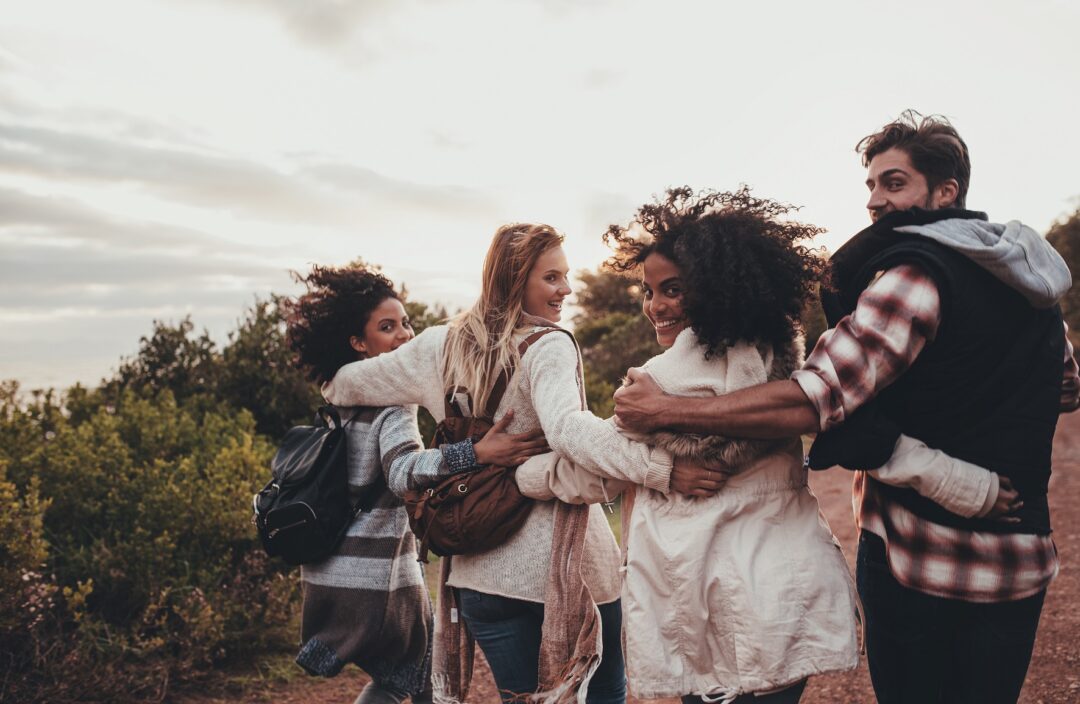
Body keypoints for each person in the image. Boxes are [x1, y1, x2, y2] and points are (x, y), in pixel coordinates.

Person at [612, 112, 1080, 704]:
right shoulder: (1030, 287)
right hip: (1019, 558)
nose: (874, 202)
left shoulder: (912, 276)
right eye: (871, 186)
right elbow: (1064, 389)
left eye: (893, 183)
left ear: (945, 191)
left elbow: (812, 399)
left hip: (920, 555)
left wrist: (665, 410)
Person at [515, 187, 859, 703]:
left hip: (711, 608)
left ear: (716, 287)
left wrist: (519, 472)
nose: (656, 305)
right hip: (780, 594)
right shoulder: (775, 352)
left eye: (672, 289)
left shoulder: (669, 377)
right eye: (649, 292)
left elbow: (593, 461)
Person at [321, 225, 676, 704]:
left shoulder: (436, 347)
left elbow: (338, 385)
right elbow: (569, 432)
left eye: (565, 277)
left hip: (479, 577)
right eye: (552, 277)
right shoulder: (549, 344)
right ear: (514, 279)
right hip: (568, 572)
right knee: (605, 690)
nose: (566, 289)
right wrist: (656, 458)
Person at [284, 264, 545, 704]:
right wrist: (478, 453)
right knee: (415, 673)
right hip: (378, 579)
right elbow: (402, 471)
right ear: (358, 344)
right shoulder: (392, 405)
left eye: (406, 322)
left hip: (329, 571)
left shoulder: (337, 404)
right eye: (387, 327)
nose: (405, 334)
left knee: (413, 678)